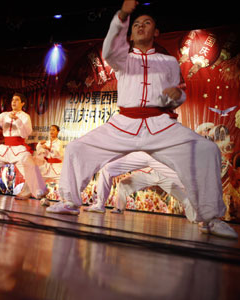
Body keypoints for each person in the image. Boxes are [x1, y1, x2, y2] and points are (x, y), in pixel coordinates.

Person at [47, 1, 237, 239]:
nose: (140, 26)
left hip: (159, 124)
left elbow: (178, 93)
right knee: (77, 148)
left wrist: (177, 95)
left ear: (156, 32)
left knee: (207, 150)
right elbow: (108, 50)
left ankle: (210, 218)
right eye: (136, 24)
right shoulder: (122, 58)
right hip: (124, 124)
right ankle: (69, 202)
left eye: (146, 23)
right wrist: (123, 14)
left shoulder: (168, 62)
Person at [85, 151, 197, 222]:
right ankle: (116, 207)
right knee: (122, 183)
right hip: (146, 173)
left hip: (163, 175)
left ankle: (198, 219)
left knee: (186, 195)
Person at [0, 93, 47, 199]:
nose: (13, 102)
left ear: (22, 103)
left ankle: (38, 192)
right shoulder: (5, 115)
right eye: (12, 100)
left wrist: (17, 120)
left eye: (17, 100)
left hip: (18, 149)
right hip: (4, 149)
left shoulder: (25, 116)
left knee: (31, 166)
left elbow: (25, 133)